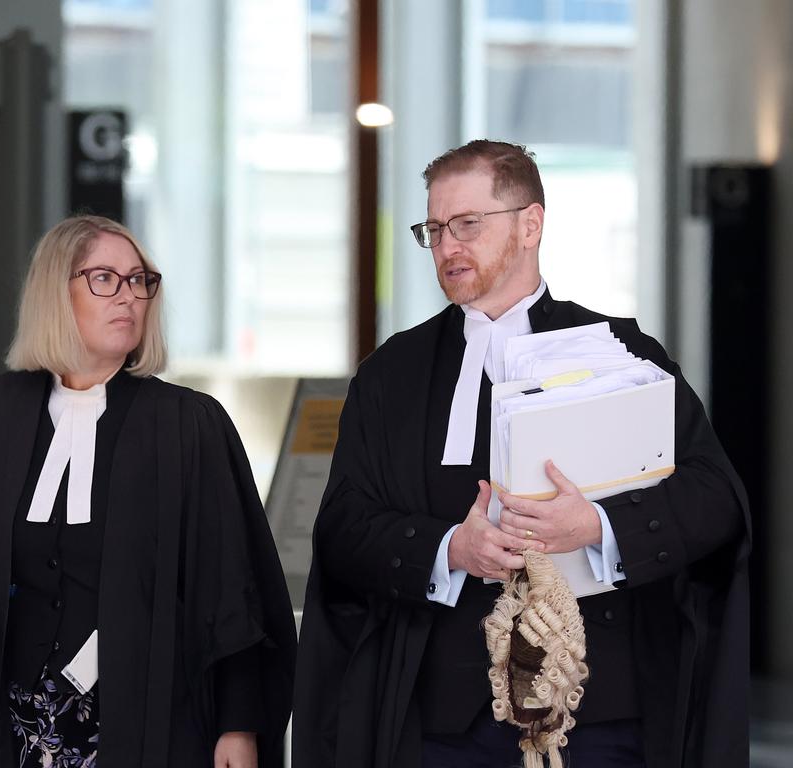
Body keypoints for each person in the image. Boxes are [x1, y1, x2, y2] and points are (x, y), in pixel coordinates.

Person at [293, 140, 749, 768]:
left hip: (600, 715)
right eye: (434, 229)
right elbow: (343, 528)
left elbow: (715, 498)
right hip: (441, 722)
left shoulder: (620, 350)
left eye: (467, 224)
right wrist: (451, 548)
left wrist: (597, 526)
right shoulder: (390, 374)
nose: (448, 246)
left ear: (532, 223)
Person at [0, 214, 298, 768]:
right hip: (18, 725)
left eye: (139, 280)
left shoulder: (188, 426)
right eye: (105, 279)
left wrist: (237, 728)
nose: (129, 296)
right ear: (54, 293)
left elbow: (231, 589)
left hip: (146, 726)